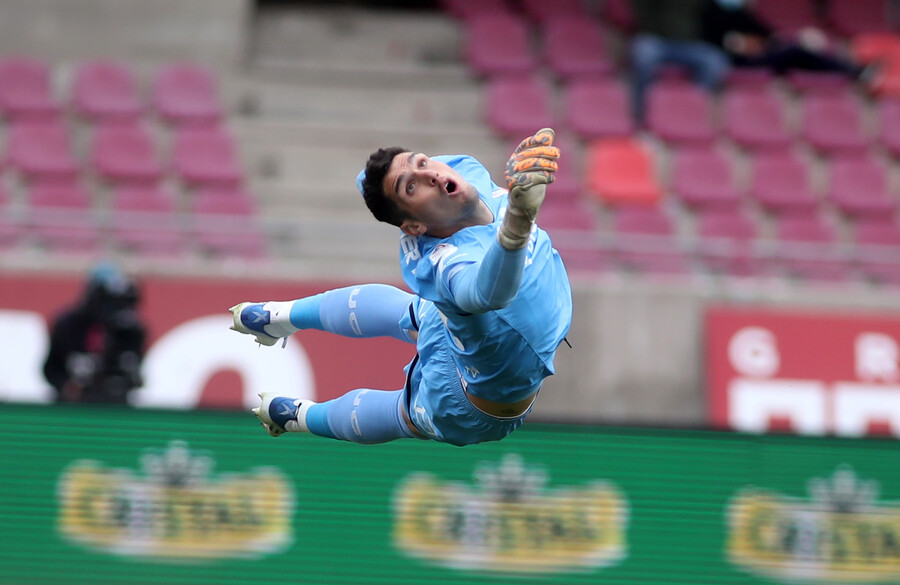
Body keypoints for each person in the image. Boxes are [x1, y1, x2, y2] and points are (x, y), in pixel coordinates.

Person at [228, 128, 573, 446]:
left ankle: (279, 316)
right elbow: (488, 293)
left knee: (412, 313)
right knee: (403, 414)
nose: (430, 175)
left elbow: (372, 178)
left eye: (422, 162)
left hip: (460, 330)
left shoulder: (461, 170)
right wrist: (517, 221)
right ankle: (299, 417)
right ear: (414, 226)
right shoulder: (450, 265)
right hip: (466, 399)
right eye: (411, 187)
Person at [43, 262, 146, 404]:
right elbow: (50, 368)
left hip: (115, 407)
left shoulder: (129, 330)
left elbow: (134, 372)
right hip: (72, 407)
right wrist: (67, 386)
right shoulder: (68, 325)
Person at [700, 0, 867, 82]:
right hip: (736, 62)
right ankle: (849, 71)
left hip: (761, 56)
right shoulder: (710, 13)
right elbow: (711, 43)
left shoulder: (743, 14)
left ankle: (847, 70)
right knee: (795, 53)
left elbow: (769, 35)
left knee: (798, 51)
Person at [628, 0, 732, 124]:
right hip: (657, 39)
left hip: (688, 44)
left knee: (715, 61)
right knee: (643, 54)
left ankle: (691, 107)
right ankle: (640, 112)